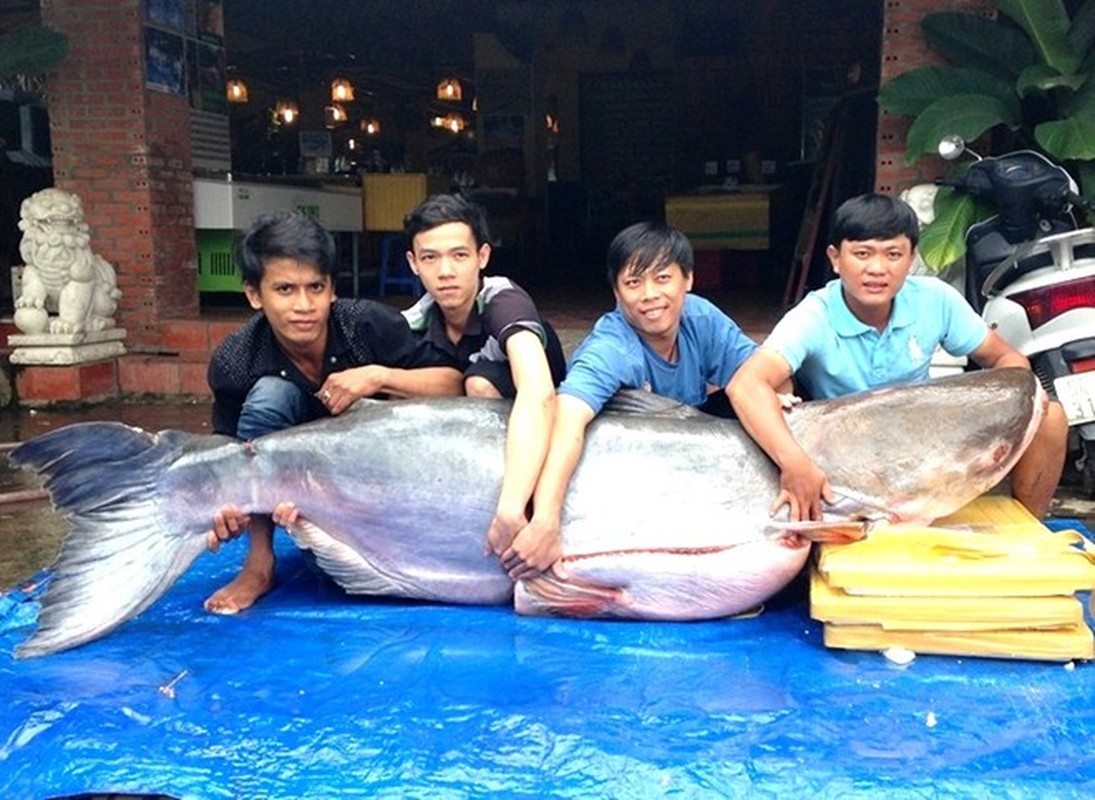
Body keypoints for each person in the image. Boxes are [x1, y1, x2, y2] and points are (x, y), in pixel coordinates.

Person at [728, 192, 1068, 521]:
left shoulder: (936, 299)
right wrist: (795, 465)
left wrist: (981, 416)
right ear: (835, 258)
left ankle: (1026, 528)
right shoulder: (814, 315)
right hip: (844, 452)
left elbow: (1009, 363)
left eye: (893, 255)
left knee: (1049, 417)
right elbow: (746, 385)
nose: (877, 269)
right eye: (862, 254)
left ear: (911, 258)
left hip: (922, 439)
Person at [205, 211, 463, 614]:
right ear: (255, 295)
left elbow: (454, 383)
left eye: (315, 287)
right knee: (269, 398)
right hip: (295, 483)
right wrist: (228, 507)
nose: (304, 305)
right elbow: (231, 450)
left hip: (378, 473)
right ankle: (259, 563)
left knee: (353, 578)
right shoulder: (236, 360)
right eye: (285, 289)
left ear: (332, 291)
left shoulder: (366, 324)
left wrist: (378, 377)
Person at [500, 220, 763, 579]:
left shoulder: (700, 317)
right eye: (633, 283)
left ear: (688, 279)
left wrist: (779, 396)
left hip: (690, 452)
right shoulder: (611, 348)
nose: (650, 294)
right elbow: (566, 416)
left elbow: (761, 371)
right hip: (627, 471)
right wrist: (546, 519)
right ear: (617, 292)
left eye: (663, 278)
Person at [400, 193, 567, 563]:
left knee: (479, 382)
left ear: (483, 257)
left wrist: (511, 509)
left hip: (545, 429)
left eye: (459, 255)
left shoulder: (504, 300)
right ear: (413, 263)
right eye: (430, 257)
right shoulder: (414, 321)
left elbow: (539, 393)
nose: (446, 271)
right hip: (475, 434)